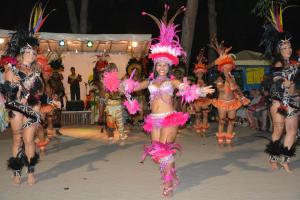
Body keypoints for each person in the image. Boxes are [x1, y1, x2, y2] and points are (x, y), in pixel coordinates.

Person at [123, 6, 214, 197]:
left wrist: (199, 90)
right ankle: (169, 171)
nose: (163, 67)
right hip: (154, 119)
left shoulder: (172, 81)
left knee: (164, 151)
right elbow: (133, 87)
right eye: (160, 65)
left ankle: (168, 182)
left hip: (169, 118)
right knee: (158, 153)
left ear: (169, 65)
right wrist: (122, 84)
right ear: (155, 66)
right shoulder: (149, 81)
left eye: (166, 64)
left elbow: (184, 88)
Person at [257, 2, 299, 172]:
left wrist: (293, 87)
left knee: (292, 131)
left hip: (294, 101)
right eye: (284, 47)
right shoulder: (278, 62)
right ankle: (273, 157)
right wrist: (284, 82)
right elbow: (277, 77)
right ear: (278, 49)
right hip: (278, 102)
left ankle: (285, 159)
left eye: (289, 46)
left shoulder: (296, 62)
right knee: (279, 130)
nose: (287, 49)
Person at [0, 30, 43, 185]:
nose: (32, 55)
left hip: (31, 110)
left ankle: (31, 171)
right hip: (16, 108)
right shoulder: (11, 70)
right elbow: (7, 93)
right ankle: (17, 171)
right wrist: (14, 83)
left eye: (34, 52)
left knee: (29, 140)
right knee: (17, 140)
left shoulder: (36, 73)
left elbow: (39, 94)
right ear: (22, 52)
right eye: (29, 52)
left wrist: (49, 102)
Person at [211, 38, 250, 145]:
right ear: (222, 68)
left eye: (229, 67)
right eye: (225, 67)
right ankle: (220, 139)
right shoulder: (220, 79)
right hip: (222, 102)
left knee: (231, 121)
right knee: (222, 120)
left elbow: (236, 88)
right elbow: (221, 90)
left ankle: (228, 139)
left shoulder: (232, 78)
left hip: (232, 102)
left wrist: (242, 97)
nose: (227, 69)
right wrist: (227, 81)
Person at [103, 63, 127, 141]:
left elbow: (122, 92)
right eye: (113, 70)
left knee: (120, 121)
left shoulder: (119, 81)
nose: (115, 71)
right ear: (109, 71)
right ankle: (110, 135)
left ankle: (122, 135)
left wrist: (123, 89)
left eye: (116, 70)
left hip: (118, 105)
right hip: (110, 105)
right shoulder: (105, 82)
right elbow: (107, 94)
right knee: (110, 122)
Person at [193, 49, 212, 136]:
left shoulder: (204, 83)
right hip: (197, 100)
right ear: (196, 74)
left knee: (205, 115)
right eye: (198, 73)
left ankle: (204, 129)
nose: (200, 74)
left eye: (201, 73)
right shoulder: (195, 83)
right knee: (198, 115)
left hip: (204, 100)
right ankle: (198, 128)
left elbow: (208, 92)